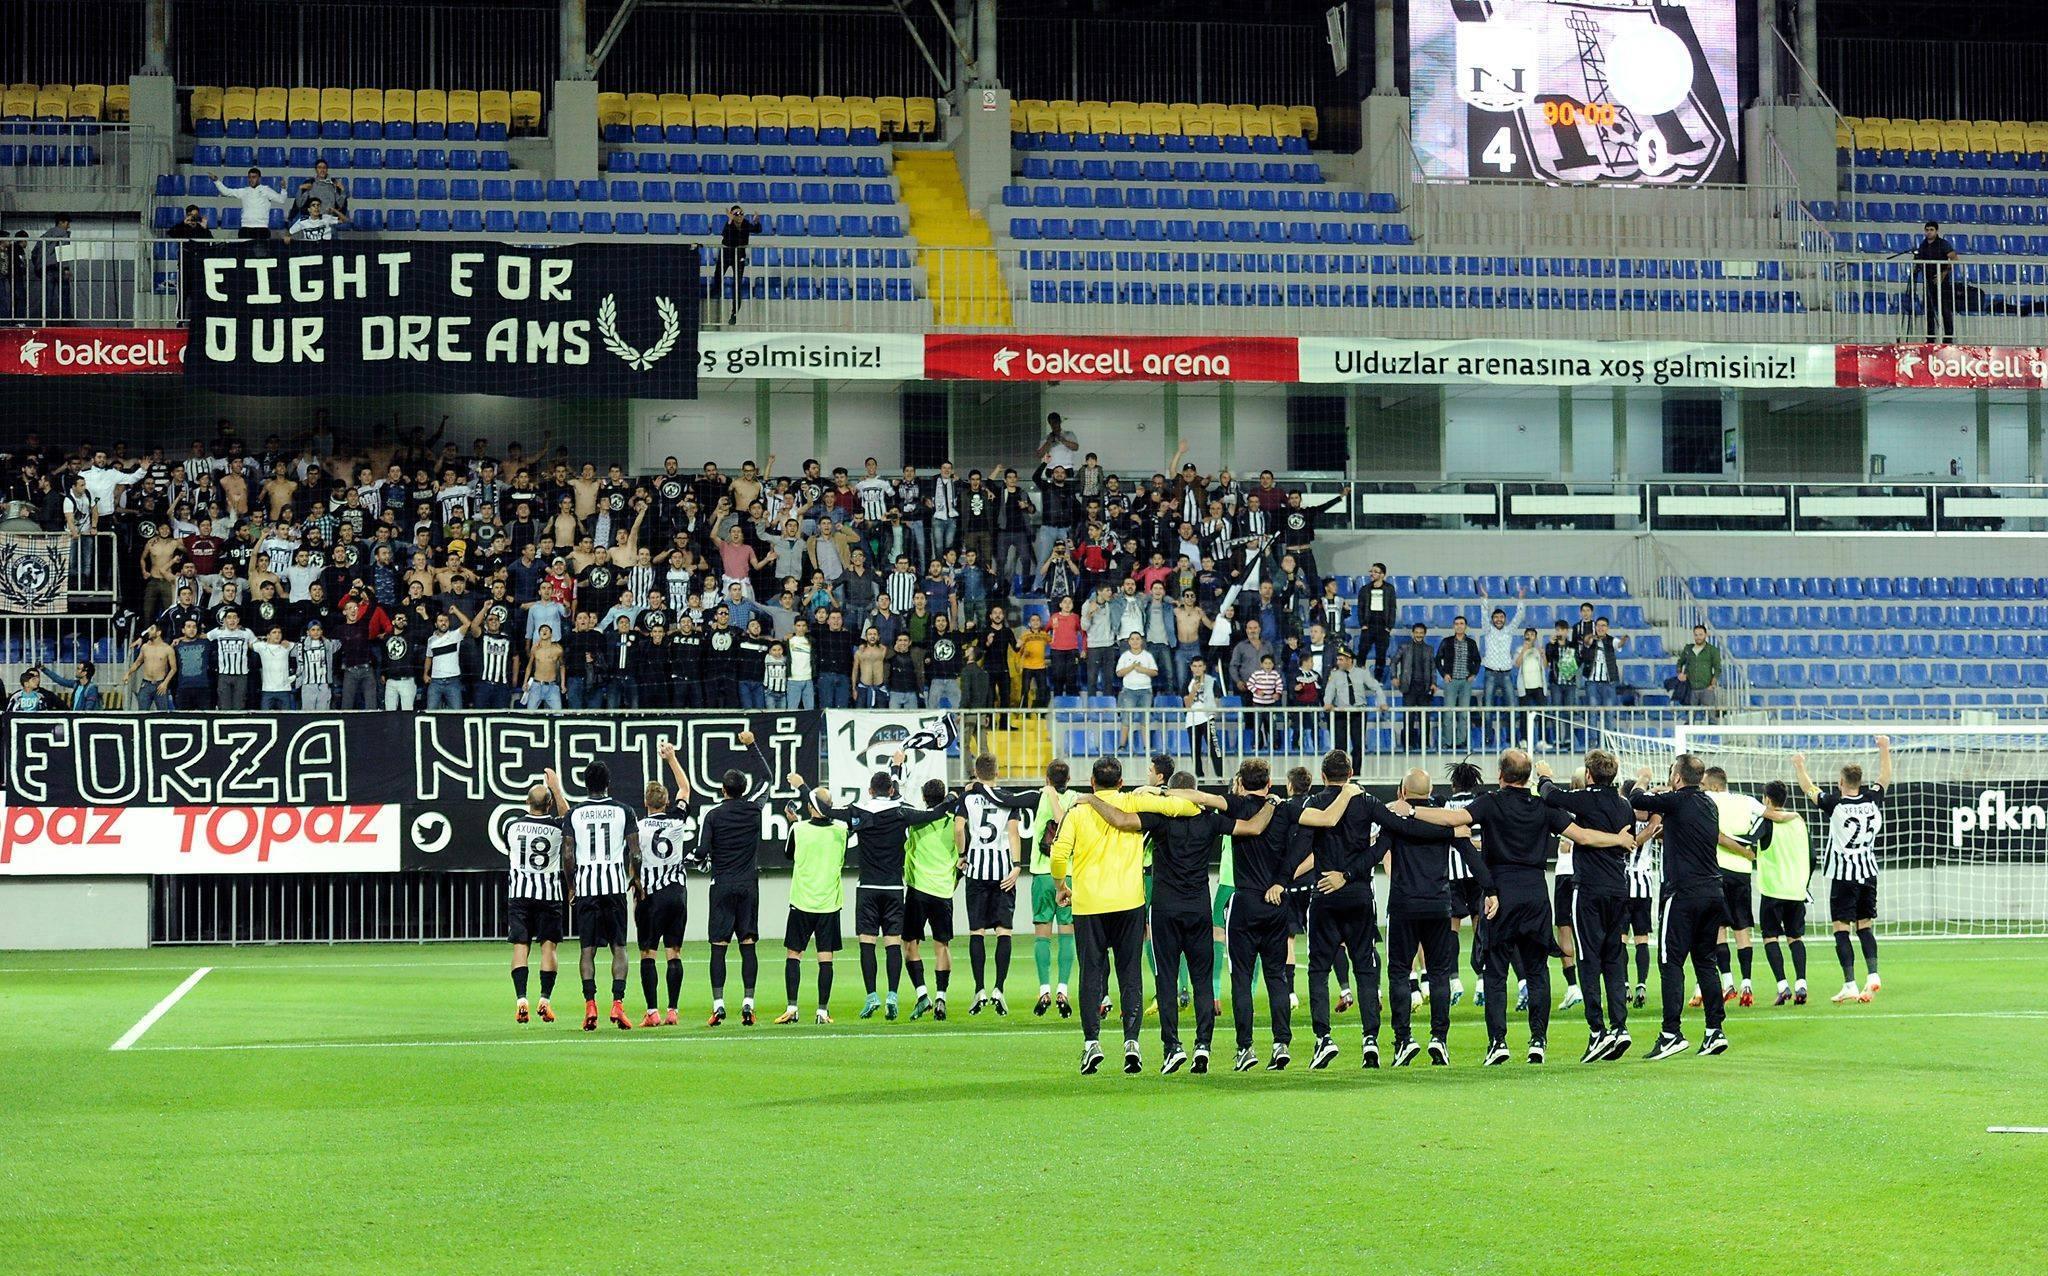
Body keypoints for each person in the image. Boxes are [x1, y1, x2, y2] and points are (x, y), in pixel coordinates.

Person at [1408, 749, 1636, 1066]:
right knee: (1537, 971)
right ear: (1528, 777)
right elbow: (1582, 836)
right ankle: (1538, 1043)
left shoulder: (1490, 802)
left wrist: (1411, 811)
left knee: (1497, 972)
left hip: (1500, 894)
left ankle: (1498, 1043)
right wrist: (1617, 840)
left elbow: (1453, 819)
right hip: (1536, 895)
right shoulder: (1542, 806)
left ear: (1500, 775)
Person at [1082, 770, 1268, 1075]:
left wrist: (1091, 800)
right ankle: (1203, 1047)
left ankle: (1172, 1048)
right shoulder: (1210, 820)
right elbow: (1254, 827)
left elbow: (1120, 820)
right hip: (1198, 909)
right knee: (1202, 980)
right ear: (1194, 792)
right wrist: (1273, 803)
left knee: (1166, 980)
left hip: (1165, 909)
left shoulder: (1160, 819)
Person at [1294, 750, 1457, 1069]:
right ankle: (1371, 1042)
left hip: (1325, 892)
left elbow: (1301, 847)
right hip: (1359, 895)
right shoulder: (1365, 802)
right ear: (1351, 772)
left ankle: (1323, 1039)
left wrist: (1284, 877)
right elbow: (1394, 831)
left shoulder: (1312, 804)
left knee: (1318, 969)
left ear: (1324, 776)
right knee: (1365, 969)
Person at [1048, 756, 1200, 1075]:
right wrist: (1157, 793)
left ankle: (1092, 1044)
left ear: (1092, 782)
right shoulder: (1133, 801)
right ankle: (1132, 1043)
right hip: (1129, 902)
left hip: (1089, 904)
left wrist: (1061, 885)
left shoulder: (1079, 810)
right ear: (1120, 782)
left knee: (1091, 971)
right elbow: (1186, 808)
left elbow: (1059, 854)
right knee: (1129, 972)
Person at [797, 766, 963, 1021]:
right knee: (893, 944)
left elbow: (825, 810)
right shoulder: (901, 813)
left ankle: (872, 995)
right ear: (892, 790)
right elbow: (933, 813)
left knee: (867, 943)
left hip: (868, 888)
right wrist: (952, 798)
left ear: (870, 790)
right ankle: (892, 996)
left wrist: (802, 787)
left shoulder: (858, 812)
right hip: (894, 889)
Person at [1380, 767, 1494, 1066]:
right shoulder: (1444, 822)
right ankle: (1439, 1039)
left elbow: (1375, 853)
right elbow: (1470, 854)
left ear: (1402, 793)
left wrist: (1348, 874)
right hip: (1438, 905)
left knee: (1399, 973)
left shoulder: (1395, 820)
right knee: (1440, 973)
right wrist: (1491, 888)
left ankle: (1403, 1040)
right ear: (1430, 793)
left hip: (1404, 906)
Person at [1536, 751, 1639, 1061]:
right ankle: (1620, 1026)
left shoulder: (1584, 799)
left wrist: (1544, 775)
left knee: (1588, 959)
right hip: (1619, 890)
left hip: (1590, 889)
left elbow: (1550, 796)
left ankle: (1598, 1032)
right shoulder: (1625, 806)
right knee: (1614, 958)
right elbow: (1629, 841)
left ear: (1590, 776)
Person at [1628, 753, 1733, 1060]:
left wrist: (1645, 779)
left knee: (1670, 962)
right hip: (1713, 891)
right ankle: (1715, 1031)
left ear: (1676, 778)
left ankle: (1671, 1033)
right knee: (1705, 960)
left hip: (1683, 893)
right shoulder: (1708, 804)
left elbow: (1637, 799)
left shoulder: (1675, 801)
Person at [1218, 759, 1304, 1072]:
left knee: (1242, 979)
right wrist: (1283, 880)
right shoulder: (1283, 810)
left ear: (1240, 783)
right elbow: (1307, 843)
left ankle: (1245, 1048)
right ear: (1269, 784)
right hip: (1276, 903)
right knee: (1277, 977)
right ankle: (1281, 1043)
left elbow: (1207, 800)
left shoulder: (1235, 807)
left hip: (1244, 903)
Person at [1795, 736, 1891, 1005]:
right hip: (1868, 873)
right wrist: (1884, 748)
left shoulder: (1834, 804)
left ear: (1840, 783)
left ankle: (1849, 983)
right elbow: (1885, 776)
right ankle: (1873, 974)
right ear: (1860, 782)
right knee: (1865, 926)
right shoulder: (1873, 799)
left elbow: (1808, 788)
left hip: (1843, 876)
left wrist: (1799, 765)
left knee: (1841, 929)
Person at [549, 760, 637, 1033]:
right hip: (613, 887)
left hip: (587, 887)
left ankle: (590, 1005)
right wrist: (636, 878)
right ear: (608, 783)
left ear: (586, 784)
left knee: (587, 949)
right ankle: (618, 1004)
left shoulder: (575, 814)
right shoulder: (624, 810)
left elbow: (567, 854)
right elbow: (635, 852)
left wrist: (572, 885)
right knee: (619, 948)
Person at [957, 754, 1042, 1016]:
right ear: (998, 772)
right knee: (1004, 931)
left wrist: (962, 855)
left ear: (975, 771)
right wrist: (1017, 865)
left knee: (977, 932)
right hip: (1003, 871)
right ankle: (999, 989)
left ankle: (979, 989)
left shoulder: (968, 797)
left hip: (977, 871)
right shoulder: (1007, 798)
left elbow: (959, 829)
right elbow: (1014, 833)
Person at [699, 732, 771, 1026]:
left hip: (722, 885)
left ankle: (718, 1005)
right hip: (748, 885)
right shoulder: (754, 810)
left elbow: (703, 851)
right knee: (748, 943)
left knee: (719, 946)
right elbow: (767, 778)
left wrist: (702, 857)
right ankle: (748, 1003)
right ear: (743, 789)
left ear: (723, 790)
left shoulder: (713, 816)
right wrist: (752, 744)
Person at [633, 744, 695, 1028]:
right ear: (667, 802)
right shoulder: (677, 822)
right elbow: (685, 788)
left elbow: (633, 856)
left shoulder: (638, 827)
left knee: (648, 953)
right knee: (674, 952)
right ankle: (673, 1010)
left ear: (646, 802)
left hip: (650, 895)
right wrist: (671, 759)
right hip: (676, 893)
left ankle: (652, 1011)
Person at [780, 784, 849, 1024]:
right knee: (825, 958)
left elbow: (789, 854)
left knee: (793, 954)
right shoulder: (842, 830)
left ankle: (792, 1008)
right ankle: (822, 1011)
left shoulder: (798, 829)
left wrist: (793, 822)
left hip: (801, 901)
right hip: (829, 903)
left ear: (810, 807)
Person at [505, 777, 568, 1025]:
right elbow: (569, 816)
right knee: (548, 947)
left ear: (526, 802)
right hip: (549, 894)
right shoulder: (557, 827)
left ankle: (521, 1000)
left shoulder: (513, 827)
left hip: (520, 893)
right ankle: (545, 999)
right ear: (550, 804)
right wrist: (556, 787)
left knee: (521, 946)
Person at [1702, 766, 1763, 1008]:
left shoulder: (1708, 798)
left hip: (1717, 871)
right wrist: (1750, 847)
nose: (1702, 788)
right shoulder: (1747, 800)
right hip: (1741, 873)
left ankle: (1727, 982)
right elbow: (1767, 817)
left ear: (1715, 786)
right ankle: (1747, 982)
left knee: (1719, 929)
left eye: (1705, 785)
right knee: (1742, 930)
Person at [1752, 780, 1812, 1006]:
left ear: (1767, 799)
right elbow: (1812, 856)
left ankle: (1782, 986)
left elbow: (1748, 841)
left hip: (1772, 889)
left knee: (1770, 937)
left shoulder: (1766, 822)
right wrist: (1804, 883)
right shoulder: (1798, 822)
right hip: (1796, 890)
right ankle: (1802, 985)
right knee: (1795, 938)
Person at [1029, 759, 1081, 1016]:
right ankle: (1063, 988)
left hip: (1041, 875)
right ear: (1069, 780)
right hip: (1068, 875)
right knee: (1067, 932)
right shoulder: (1077, 800)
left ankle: (1043, 990)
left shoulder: (1038, 797)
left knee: (1042, 932)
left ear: (1047, 779)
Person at [712, 204, 762, 322]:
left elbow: (757, 230)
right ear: (732, 215)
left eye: (741, 213)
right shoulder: (728, 225)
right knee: (717, 275)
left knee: (737, 284)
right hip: (726, 254)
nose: (739, 216)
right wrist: (730, 221)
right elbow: (725, 234)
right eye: (736, 214)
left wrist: (756, 222)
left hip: (739, 256)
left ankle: (734, 313)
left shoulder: (745, 224)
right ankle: (716, 292)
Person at [214, 167, 292, 240]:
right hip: (245, 228)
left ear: (259, 178)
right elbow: (226, 192)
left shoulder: (266, 190)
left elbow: (281, 200)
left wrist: (283, 189)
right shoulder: (244, 191)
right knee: (244, 253)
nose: (251, 179)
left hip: (262, 228)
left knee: (261, 254)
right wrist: (216, 181)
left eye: (254, 177)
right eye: (249, 177)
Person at [1914, 219, 1958, 343]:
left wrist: (1943, 273)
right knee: (1929, 310)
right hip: (1928, 282)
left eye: (1931, 230)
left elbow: (1954, 258)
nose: (1929, 232)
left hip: (1942, 282)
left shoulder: (1943, 244)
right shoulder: (1923, 245)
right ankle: (1930, 337)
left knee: (1945, 310)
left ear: (1936, 231)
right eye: (1927, 230)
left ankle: (1948, 337)